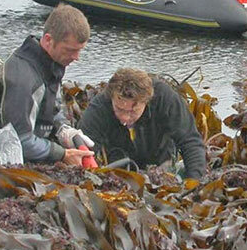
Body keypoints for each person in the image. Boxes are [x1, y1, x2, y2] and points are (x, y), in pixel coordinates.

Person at [0, 4, 95, 165]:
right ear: (48, 40)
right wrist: (62, 154)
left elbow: (50, 110)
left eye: (80, 50)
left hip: (32, 154)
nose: (76, 57)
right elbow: (19, 141)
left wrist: (65, 130)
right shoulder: (22, 79)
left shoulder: (51, 64)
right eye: (70, 50)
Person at [77, 68, 206, 179]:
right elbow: (84, 149)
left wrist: (194, 183)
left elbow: (190, 141)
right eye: (119, 109)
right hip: (118, 172)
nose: (125, 117)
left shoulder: (165, 98)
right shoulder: (99, 107)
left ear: (147, 100)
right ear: (111, 98)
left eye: (133, 111)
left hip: (162, 168)